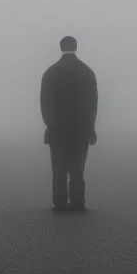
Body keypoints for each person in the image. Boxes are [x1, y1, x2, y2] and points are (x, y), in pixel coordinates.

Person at [40, 36, 98, 212]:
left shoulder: (50, 73)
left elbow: (44, 103)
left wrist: (50, 125)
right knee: (77, 168)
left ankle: (59, 201)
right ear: (76, 46)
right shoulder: (87, 72)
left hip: (57, 129)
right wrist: (91, 127)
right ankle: (77, 201)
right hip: (80, 129)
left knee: (58, 168)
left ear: (60, 47)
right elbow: (92, 103)